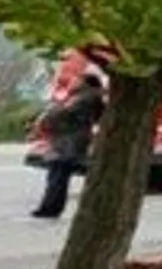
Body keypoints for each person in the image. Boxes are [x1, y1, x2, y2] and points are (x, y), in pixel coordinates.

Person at [30, 65, 106, 222]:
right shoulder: (83, 96)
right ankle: (49, 207)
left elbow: (62, 114)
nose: (72, 81)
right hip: (69, 139)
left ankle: (50, 208)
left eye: (76, 79)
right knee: (58, 175)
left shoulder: (84, 97)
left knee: (58, 176)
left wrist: (48, 118)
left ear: (85, 81)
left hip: (69, 140)